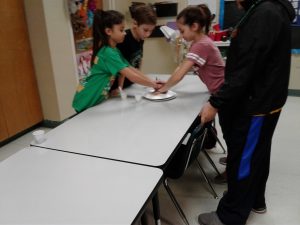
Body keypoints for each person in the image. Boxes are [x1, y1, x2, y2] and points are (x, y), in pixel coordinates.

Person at [198, 0, 295, 225]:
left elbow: (246, 67)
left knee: (244, 157)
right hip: (265, 99)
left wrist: (216, 102)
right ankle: (254, 200)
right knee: (258, 152)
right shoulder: (269, 8)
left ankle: (231, 215)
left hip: (256, 103)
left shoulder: (265, 12)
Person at [72, 10, 161, 112]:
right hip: (85, 100)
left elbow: (132, 69)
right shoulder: (107, 53)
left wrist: (152, 82)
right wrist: (154, 85)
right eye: (121, 30)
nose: (124, 33)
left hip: (95, 100)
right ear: (109, 31)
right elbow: (131, 76)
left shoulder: (114, 51)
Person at [158, 4, 224, 96]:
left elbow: (181, 74)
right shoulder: (197, 43)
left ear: (194, 26)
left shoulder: (202, 45)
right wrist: (167, 84)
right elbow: (181, 67)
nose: (181, 36)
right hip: (217, 91)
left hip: (222, 92)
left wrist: (162, 90)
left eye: (182, 31)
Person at [110, 4, 157, 94]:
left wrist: (146, 80)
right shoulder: (123, 39)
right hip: (117, 89)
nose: (148, 34)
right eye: (146, 30)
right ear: (135, 23)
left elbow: (139, 59)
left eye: (151, 31)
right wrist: (120, 87)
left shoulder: (141, 38)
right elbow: (123, 69)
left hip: (130, 85)